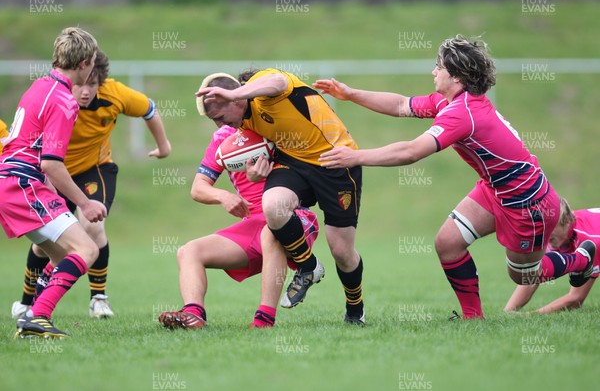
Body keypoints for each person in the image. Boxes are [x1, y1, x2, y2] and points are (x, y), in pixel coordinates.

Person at [313, 35, 595, 319]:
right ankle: (473, 319)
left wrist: (356, 156)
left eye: (439, 66)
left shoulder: (463, 113)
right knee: (447, 243)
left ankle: (582, 258)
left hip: (527, 201)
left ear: (457, 76)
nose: (433, 71)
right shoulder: (451, 102)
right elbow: (401, 105)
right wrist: (350, 94)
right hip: (494, 188)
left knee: (524, 277)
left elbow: (412, 151)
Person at [196, 68, 366, 325]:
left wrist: (234, 91)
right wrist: (254, 173)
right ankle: (307, 266)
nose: (220, 125)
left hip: (336, 161)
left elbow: (276, 82)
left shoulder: (264, 89)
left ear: (237, 99)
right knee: (273, 206)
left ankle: (355, 308)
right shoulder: (241, 124)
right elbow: (260, 152)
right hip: (295, 163)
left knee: (342, 250)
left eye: (220, 117)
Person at [10, 50, 171, 320]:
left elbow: (150, 109)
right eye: (80, 85)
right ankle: (27, 302)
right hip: (54, 173)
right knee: (44, 242)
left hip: (94, 169)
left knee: (92, 226)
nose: (85, 91)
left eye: (92, 85)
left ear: (101, 82)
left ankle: (98, 298)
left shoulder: (115, 94)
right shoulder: (56, 99)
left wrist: (164, 147)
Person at [158, 73, 319, 329]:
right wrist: (223, 196)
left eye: (219, 116)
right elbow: (198, 188)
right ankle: (193, 315)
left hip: (292, 218)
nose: (218, 124)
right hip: (251, 223)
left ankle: (264, 320)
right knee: (188, 251)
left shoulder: (273, 122)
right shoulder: (223, 139)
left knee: (271, 232)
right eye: (212, 119)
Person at [0, 27, 104, 338]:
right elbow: (51, 163)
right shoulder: (64, 100)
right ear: (84, 63)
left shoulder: (40, 85)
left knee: (61, 256)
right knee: (87, 249)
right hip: (23, 183)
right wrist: (85, 203)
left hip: (11, 180)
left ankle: (34, 315)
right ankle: (38, 316)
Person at [504, 198, 599, 313]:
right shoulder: (555, 236)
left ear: (567, 221)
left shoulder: (590, 240)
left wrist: (530, 315)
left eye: (549, 227)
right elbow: (533, 276)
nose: (544, 234)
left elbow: (576, 299)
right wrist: (508, 312)